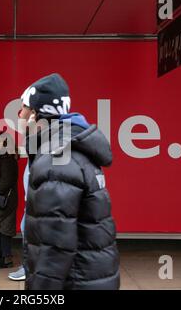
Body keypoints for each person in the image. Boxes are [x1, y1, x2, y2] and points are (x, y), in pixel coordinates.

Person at [20, 73, 120, 290]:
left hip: (76, 282)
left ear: (36, 115)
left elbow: (54, 248)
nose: (20, 114)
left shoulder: (56, 161)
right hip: (90, 278)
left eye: (25, 108)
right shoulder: (70, 149)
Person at [0, 132, 18, 269]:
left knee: (3, 229)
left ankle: (6, 258)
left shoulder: (7, 158)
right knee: (0, 228)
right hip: (2, 199)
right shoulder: (2, 157)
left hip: (5, 200)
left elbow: (6, 181)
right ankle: (3, 257)